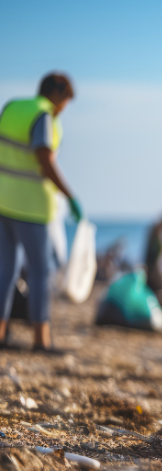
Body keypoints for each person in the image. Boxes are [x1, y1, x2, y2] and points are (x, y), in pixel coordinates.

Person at [0, 72, 83, 351]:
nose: (63, 109)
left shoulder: (12, 107)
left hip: (1, 200)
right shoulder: (44, 116)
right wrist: (69, 195)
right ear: (58, 93)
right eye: (66, 101)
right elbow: (44, 159)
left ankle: (0, 334)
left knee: (5, 270)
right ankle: (40, 339)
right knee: (40, 271)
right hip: (29, 207)